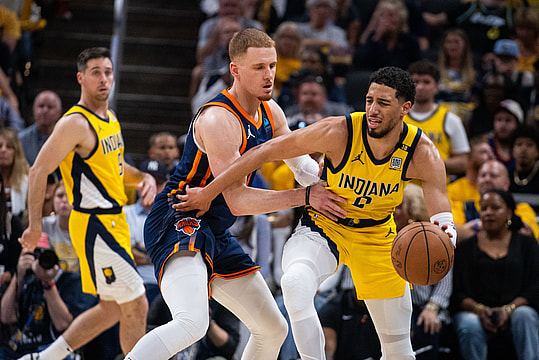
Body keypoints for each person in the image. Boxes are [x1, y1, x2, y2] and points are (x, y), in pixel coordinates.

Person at [177, 66, 457, 360]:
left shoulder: (421, 151)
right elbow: (265, 152)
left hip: (376, 236)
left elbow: (442, 213)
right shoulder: (339, 131)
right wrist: (209, 192)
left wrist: (446, 235)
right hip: (325, 227)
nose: (373, 110)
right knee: (294, 284)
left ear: (405, 108)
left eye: (383, 103)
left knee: (399, 351)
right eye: (369, 100)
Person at [124, 28, 345, 360]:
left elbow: (302, 169)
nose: (269, 75)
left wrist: (342, 189)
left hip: (214, 227)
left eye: (272, 65)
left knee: (273, 328)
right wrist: (305, 197)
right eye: (259, 67)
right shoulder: (217, 119)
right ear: (235, 70)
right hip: (179, 218)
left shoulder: (272, 112)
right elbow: (238, 200)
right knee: (191, 323)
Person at [17, 47, 157, 360]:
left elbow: (116, 169)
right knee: (137, 302)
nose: (104, 78)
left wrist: (141, 179)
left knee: (111, 309)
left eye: (108, 71)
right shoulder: (74, 123)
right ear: (81, 78)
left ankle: (44, 358)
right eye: (96, 72)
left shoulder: (110, 118)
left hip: (114, 220)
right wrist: (35, 225)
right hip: (94, 225)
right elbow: (39, 169)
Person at [451, 189, 539, 360]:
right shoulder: (466, 247)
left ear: (509, 213)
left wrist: (509, 309)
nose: (488, 212)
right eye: (484, 208)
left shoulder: (527, 244)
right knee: (469, 323)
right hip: (475, 312)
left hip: (517, 309)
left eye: (495, 208)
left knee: (525, 315)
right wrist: (480, 310)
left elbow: (536, 285)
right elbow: (457, 292)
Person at [0, 237, 97, 359]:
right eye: (35, 254)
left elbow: (62, 325)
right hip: (18, 350)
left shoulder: (72, 282)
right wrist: (18, 274)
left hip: (54, 349)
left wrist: (48, 282)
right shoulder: (26, 280)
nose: (39, 260)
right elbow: (6, 317)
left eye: (44, 254)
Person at [394, 183, 454, 359]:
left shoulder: (435, 239)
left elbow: (445, 281)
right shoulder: (385, 236)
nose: (393, 212)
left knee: (427, 324)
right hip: (394, 305)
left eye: (399, 207)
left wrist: (432, 308)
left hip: (425, 306)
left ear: (414, 209)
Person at [405, 60, 470, 178]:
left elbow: (463, 162)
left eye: (426, 82)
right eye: (415, 82)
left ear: (436, 87)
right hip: (401, 189)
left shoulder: (450, 119)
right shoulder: (397, 117)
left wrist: (432, 163)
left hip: (436, 188)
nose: (420, 87)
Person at [451, 159, 539, 240]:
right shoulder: (462, 207)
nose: (487, 179)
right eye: (483, 175)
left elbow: (524, 235)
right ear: (477, 181)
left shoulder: (521, 208)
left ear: (506, 183)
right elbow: (452, 233)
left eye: (493, 176)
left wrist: (473, 226)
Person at [41, 180, 79, 274]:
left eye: (69, 196)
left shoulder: (86, 228)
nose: (64, 200)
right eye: (60, 195)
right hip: (51, 277)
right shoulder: (44, 225)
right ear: (53, 200)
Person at [18, 91, 63, 166]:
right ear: (33, 110)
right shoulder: (20, 140)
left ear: (59, 113)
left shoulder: (67, 139)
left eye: (50, 107)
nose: (45, 110)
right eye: (41, 106)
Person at [485, 99, 524, 173]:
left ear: (518, 124)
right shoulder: (485, 145)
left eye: (508, 120)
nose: (502, 125)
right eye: (499, 120)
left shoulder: (525, 148)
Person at [0, 127, 29, 222]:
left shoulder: (27, 181)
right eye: (0, 146)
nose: (3, 150)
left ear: (16, 151)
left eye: (9, 147)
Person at [509, 124, 539, 197]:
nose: (523, 150)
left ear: (537, 152)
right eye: (519, 144)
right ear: (512, 150)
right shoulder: (506, 177)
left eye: (529, 145)